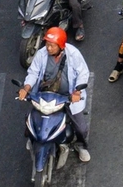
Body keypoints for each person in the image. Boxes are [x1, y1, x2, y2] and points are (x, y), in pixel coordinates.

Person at [18, 27, 91, 160]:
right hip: (44, 94)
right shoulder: (41, 54)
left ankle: (81, 145)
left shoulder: (73, 54)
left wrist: (77, 92)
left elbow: (83, 73)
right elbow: (33, 72)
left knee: (81, 128)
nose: (48, 48)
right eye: (47, 44)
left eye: (52, 45)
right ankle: (33, 138)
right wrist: (26, 88)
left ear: (61, 46)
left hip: (66, 97)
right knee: (29, 119)